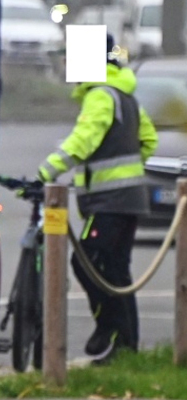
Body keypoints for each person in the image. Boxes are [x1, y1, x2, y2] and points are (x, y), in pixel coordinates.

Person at [37, 34, 158, 361]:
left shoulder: (101, 96)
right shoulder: (124, 94)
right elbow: (148, 140)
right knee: (116, 271)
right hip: (128, 199)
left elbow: (83, 139)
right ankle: (126, 348)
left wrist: (45, 172)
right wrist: (126, 168)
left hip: (110, 201)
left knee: (88, 263)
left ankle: (109, 328)